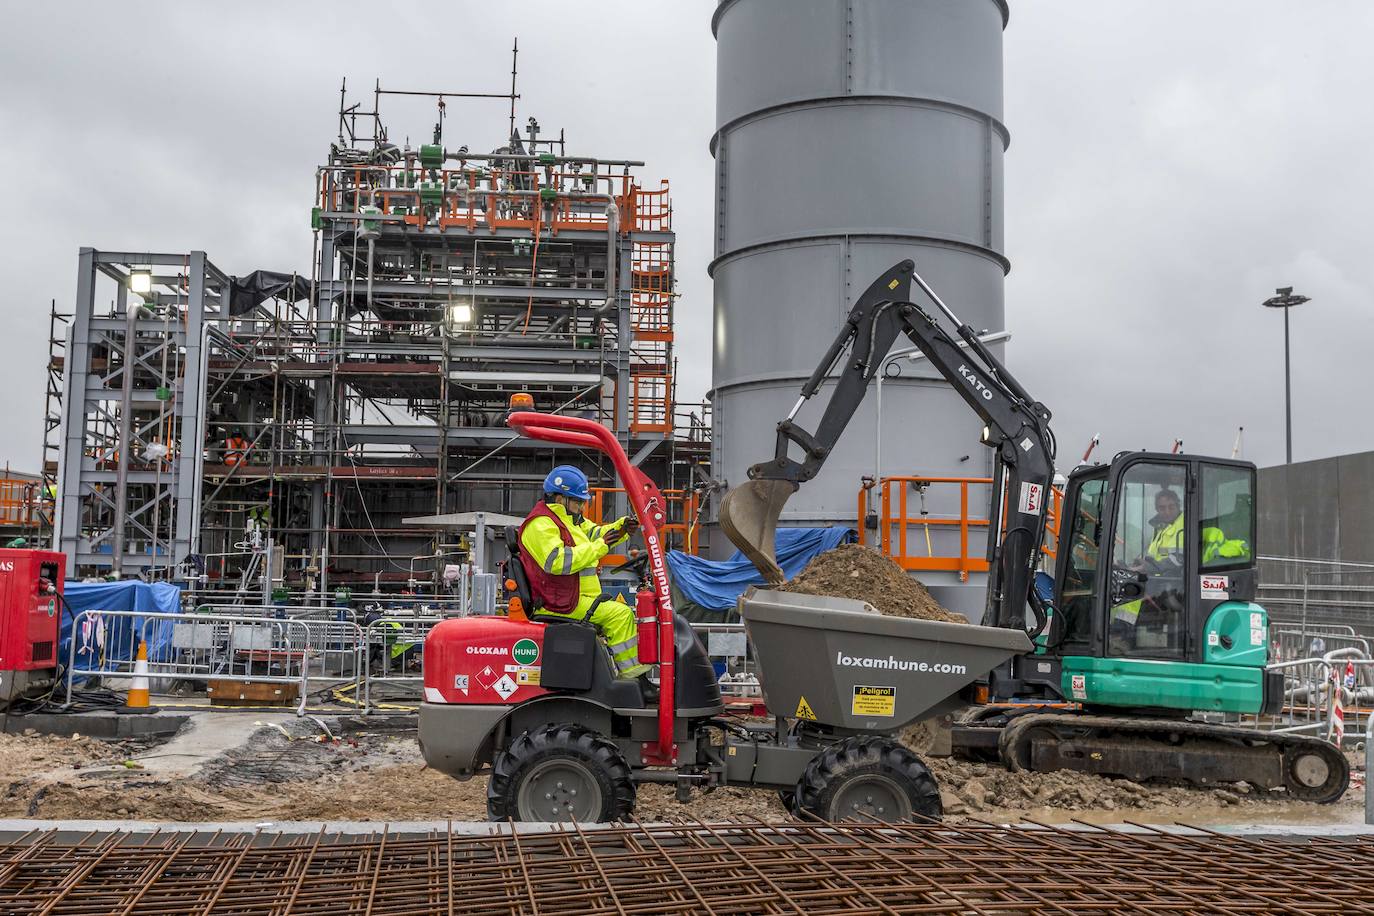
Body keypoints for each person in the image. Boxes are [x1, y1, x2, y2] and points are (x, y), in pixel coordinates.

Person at [518, 465, 652, 693]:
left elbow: (596, 534)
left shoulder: (570, 521)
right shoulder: (540, 524)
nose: (582, 506)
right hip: (559, 603)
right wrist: (600, 547)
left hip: (576, 597)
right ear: (560, 499)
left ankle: (628, 678)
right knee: (620, 615)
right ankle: (635, 683)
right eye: (578, 501)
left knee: (623, 611)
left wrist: (621, 528)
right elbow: (557, 561)